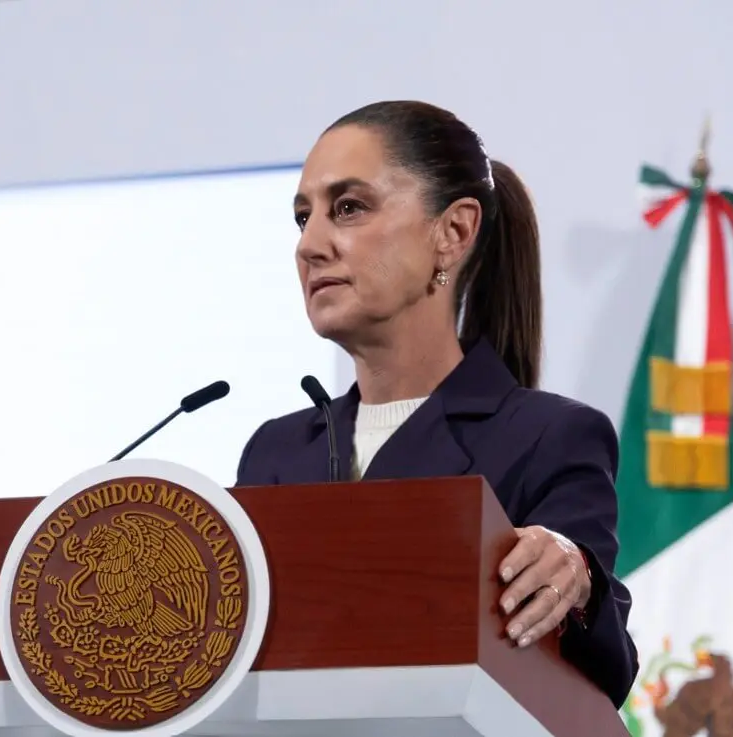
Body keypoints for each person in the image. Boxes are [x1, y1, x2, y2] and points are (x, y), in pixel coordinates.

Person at [234, 100, 637, 707]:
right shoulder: (276, 454)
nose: (310, 245)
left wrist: (576, 578)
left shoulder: (548, 436)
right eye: (302, 218)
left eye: (348, 207)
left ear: (453, 232)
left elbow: (597, 674)